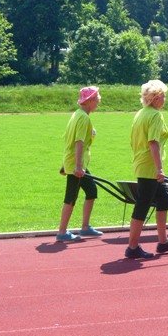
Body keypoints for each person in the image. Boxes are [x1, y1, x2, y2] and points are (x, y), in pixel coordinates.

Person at [125, 80, 168, 259]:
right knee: (143, 204)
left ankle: (163, 242)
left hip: (142, 162)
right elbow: (153, 143)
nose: (165, 99)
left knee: (164, 200)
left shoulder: (141, 113)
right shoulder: (155, 116)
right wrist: (159, 169)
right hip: (149, 166)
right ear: (155, 98)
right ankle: (132, 247)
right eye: (163, 96)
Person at [56, 86, 104, 242]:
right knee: (71, 196)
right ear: (89, 101)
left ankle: (85, 227)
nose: (99, 101)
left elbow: (68, 140)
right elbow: (78, 142)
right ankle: (62, 232)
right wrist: (76, 166)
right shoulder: (83, 118)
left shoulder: (77, 114)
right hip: (76, 164)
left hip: (74, 162)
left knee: (91, 191)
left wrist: (66, 164)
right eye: (97, 99)